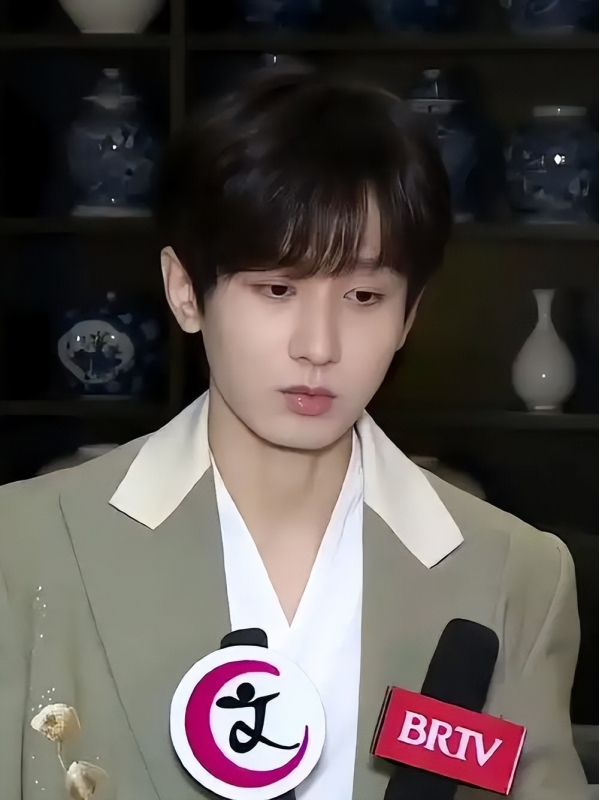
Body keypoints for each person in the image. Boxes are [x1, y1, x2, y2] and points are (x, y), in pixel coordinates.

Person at [0, 68, 589, 800]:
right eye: (278, 289)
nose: (319, 346)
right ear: (186, 290)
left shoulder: (512, 574)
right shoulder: (27, 549)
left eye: (365, 296)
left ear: (409, 315)